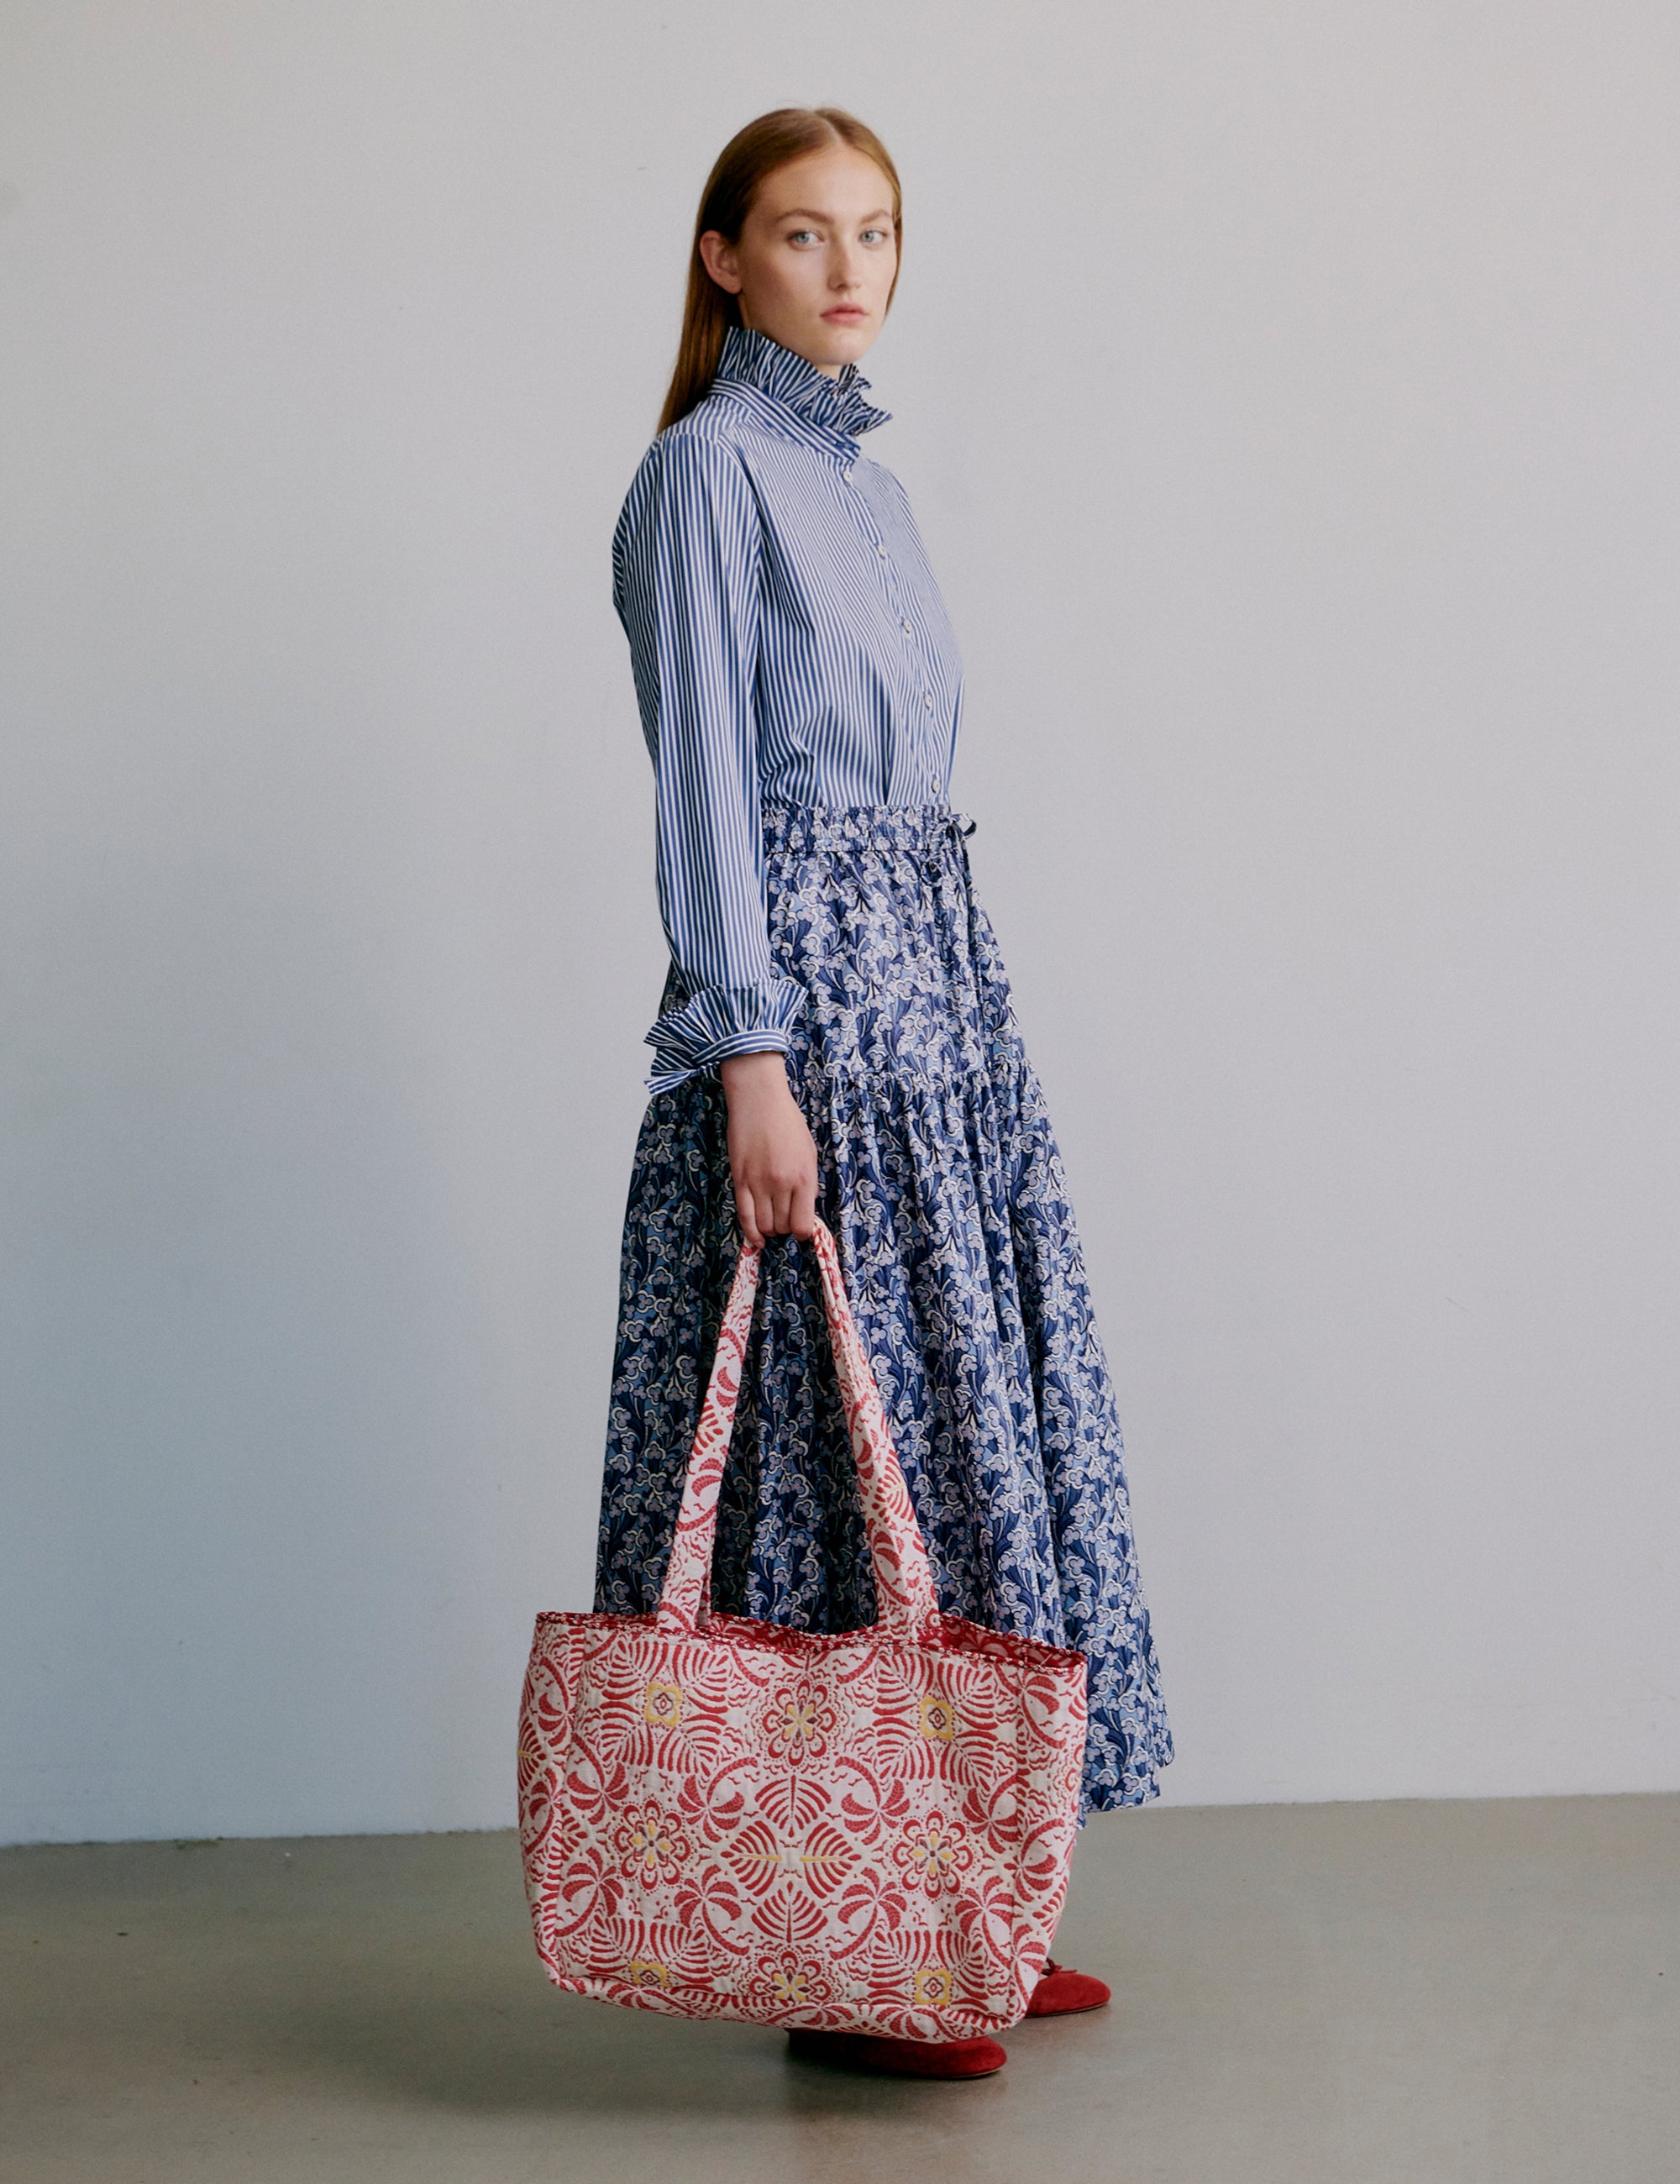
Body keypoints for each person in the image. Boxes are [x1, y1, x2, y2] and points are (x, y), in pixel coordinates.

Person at [593, 105, 1173, 2080]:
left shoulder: (872, 489)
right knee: (838, 1451)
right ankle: (850, 1959)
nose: (850, 270)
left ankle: (959, 1906)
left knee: (952, 1425)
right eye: (804, 233)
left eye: (879, 233)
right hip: (813, 1022)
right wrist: (747, 1056)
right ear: (722, 256)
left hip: (939, 1008)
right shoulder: (705, 475)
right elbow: (704, 786)